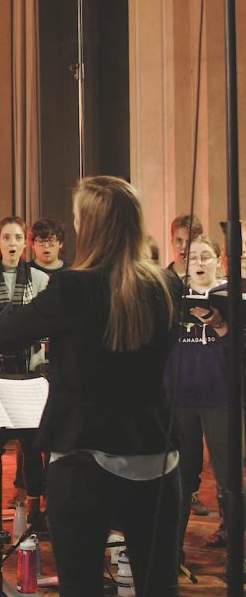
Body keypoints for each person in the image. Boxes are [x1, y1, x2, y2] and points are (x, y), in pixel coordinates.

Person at [0, 175, 181, 596]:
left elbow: (1, 339)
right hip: (153, 448)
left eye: (77, 219)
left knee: (81, 585)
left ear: (90, 226)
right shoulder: (166, 284)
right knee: (158, 584)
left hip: (83, 452)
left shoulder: (73, 287)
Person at [0, 217, 50, 532]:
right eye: (7, 237)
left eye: (18, 237)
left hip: (29, 369)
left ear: (24, 242)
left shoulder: (40, 279)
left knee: (32, 444)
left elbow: (45, 322)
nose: (13, 243)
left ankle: (34, 508)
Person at [167, 235, 232, 558]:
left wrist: (220, 325)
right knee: (181, 473)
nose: (200, 264)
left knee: (227, 474)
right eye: (193, 258)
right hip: (181, 396)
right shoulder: (175, 293)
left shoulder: (231, 295)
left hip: (221, 396)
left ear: (219, 261)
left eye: (206, 257)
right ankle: (172, 549)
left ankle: (235, 550)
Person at [168, 214, 204, 279]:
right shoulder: (161, 281)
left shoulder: (207, 279)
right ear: (172, 242)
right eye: (179, 240)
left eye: (189, 241)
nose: (183, 246)